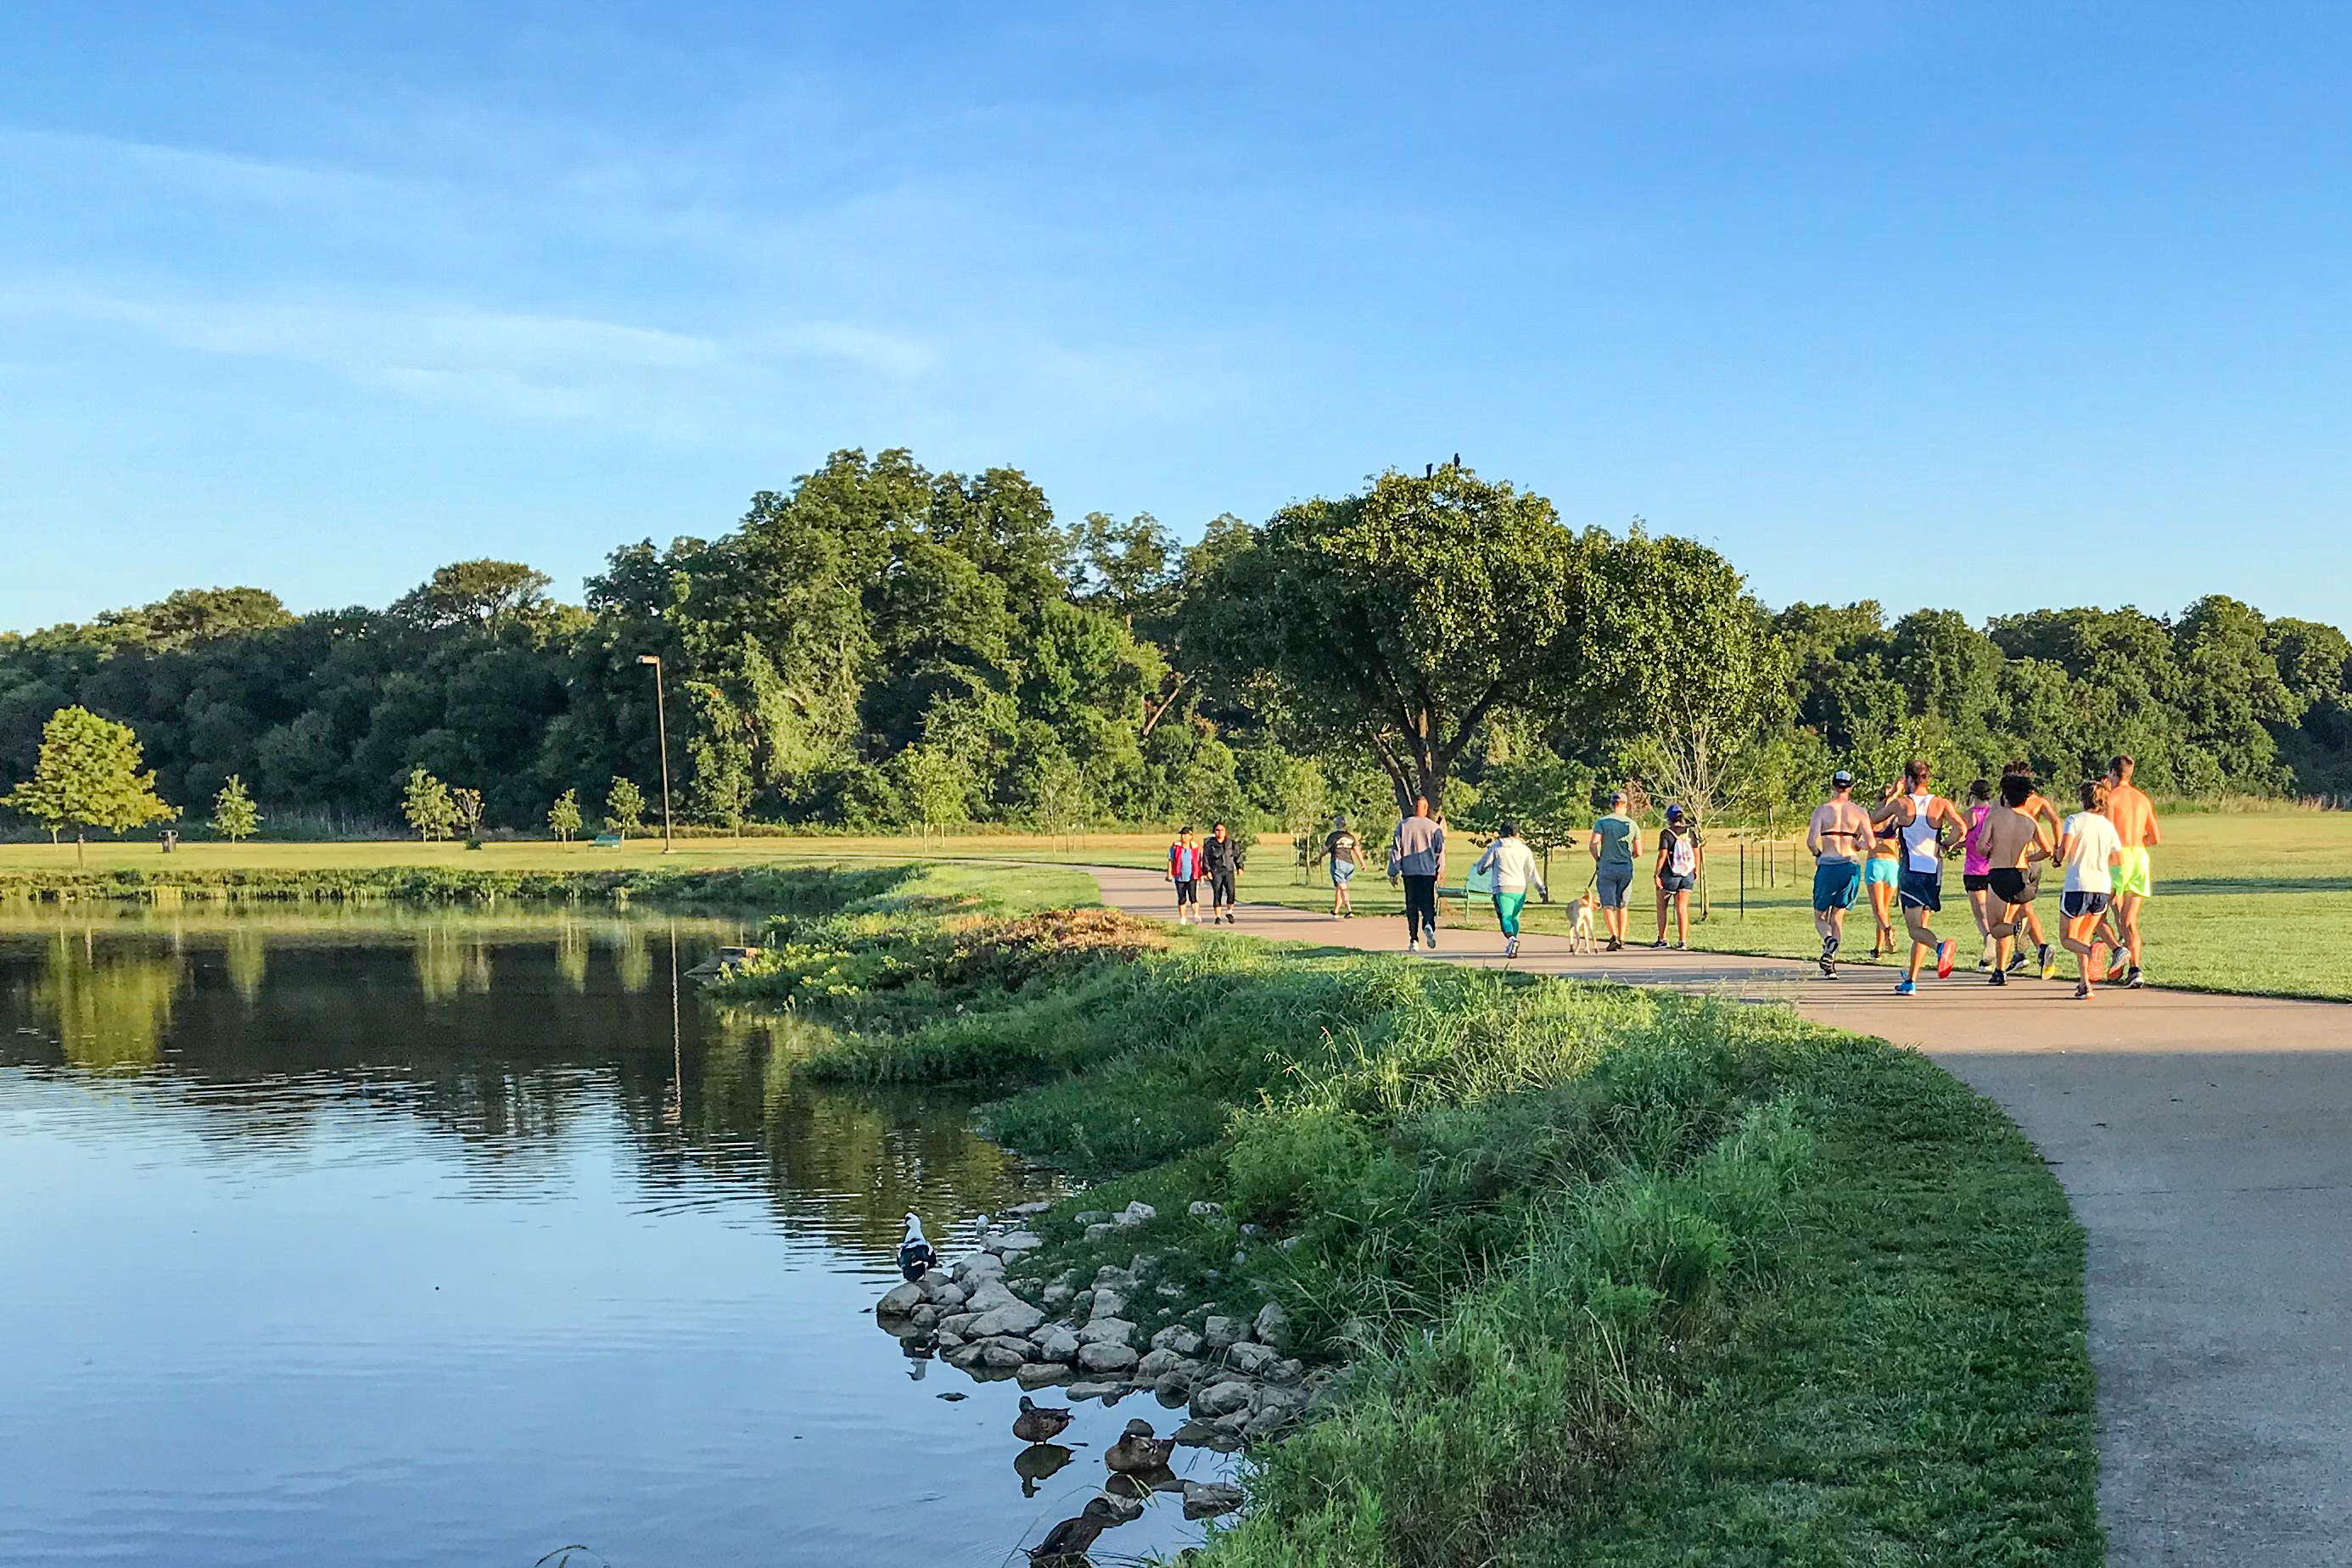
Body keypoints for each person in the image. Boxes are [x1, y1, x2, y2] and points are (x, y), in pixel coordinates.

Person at [1868, 758, 1969, 995]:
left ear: (1910, 780)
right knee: (1923, 926)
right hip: (1933, 871)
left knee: (1914, 930)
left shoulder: (1902, 804)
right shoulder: (1941, 803)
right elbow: (1962, 829)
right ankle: (1911, 981)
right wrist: (1947, 844)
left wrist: (1893, 795)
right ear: (1928, 778)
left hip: (1911, 871)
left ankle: (1940, 947)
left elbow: (1874, 819)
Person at [1975, 774, 2057, 985]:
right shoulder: (2029, 820)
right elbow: (2047, 850)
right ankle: (2000, 971)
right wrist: (2028, 857)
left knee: (1996, 928)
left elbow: (1981, 846)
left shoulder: (1995, 817)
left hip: (2000, 873)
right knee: (2009, 919)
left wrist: (1988, 852)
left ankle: (2016, 932)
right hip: (2021, 874)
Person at [2056, 778, 2126, 1000]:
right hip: (2101, 886)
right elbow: (2118, 858)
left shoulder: (2074, 820)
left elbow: (2065, 849)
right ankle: (2085, 984)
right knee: (2083, 936)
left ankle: (2092, 952)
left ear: (2082, 799)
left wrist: (2058, 858)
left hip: (2078, 884)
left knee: (2067, 938)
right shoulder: (2107, 826)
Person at [2000, 759, 2064, 979]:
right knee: (2025, 907)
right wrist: (2057, 849)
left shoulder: (2008, 801)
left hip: (2015, 858)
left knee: (2011, 910)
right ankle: (2024, 953)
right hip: (2035, 856)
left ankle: (2037, 948)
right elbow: (2056, 821)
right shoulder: (2039, 801)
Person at [1805, 769, 1872, 976]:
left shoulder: (1823, 810)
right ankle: (1831, 962)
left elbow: (1810, 841)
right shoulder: (1859, 812)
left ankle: (1829, 941)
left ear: (1833, 786)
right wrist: (1857, 845)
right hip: (1849, 865)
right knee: (1838, 917)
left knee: (1819, 916)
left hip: (1828, 864)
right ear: (1851, 788)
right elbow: (1870, 842)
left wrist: (1818, 853)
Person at [2104, 753, 2159, 988]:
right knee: (2129, 920)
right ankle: (2135, 969)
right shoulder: (2143, 798)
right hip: (2140, 856)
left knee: (2096, 911)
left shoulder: (2111, 798)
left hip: (2119, 855)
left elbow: (2106, 833)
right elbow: (2155, 837)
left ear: (2113, 774)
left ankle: (2116, 949)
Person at [1471, 820, 1549, 958]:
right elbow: (1532, 871)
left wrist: (1481, 870)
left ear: (1501, 833)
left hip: (1502, 887)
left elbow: (1483, 866)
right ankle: (1512, 947)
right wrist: (1540, 888)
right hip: (1520, 888)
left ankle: (1512, 940)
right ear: (1517, 833)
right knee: (1515, 918)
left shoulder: (1497, 847)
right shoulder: (1525, 850)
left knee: (1505, 918)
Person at [1388, 796, 1446, 952]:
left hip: (1409, 872)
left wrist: (1393, 871)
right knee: (1428, 903)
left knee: (1411, 905)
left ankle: (1413, 939)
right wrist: (1439, 869)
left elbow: (1396, 850)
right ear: (1426, 809)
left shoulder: (1403, 826)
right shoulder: (1434, 828)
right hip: (1427, 872)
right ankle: (1428, 924)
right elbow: (1440, 852)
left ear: (1415, 808)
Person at [1588, 790, 1641, 952]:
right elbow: (1639, 851)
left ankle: (1614, 936)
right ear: (1625, 805)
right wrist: (1628, 855)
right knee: (1623, 904)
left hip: (1607, 867)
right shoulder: (1632, 825)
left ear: (1612, 805)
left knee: (1608, 904)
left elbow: (1593, 843)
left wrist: (1598, 859)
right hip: (1625, 867)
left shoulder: (1602, 822)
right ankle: (1623, 938)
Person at [1650, 804, 1701, 949]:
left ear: (1669, 818)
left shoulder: (1666, 833)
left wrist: (1657, 874)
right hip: (1687, 874)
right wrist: (1696, 870)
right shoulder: (1690, 832)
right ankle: (1682, 941)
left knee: (1662, 906)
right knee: (1682, 908)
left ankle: (1663, 939)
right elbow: (1697, 852)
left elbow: (1663, 855)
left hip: (1670, 875)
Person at [1863, 782, 1903, 957]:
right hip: (1892, 864)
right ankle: (1878, 949)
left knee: (1878, 910)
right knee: (1883, 910)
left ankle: (1888, 931)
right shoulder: (1896, 819)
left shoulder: (1871, 818)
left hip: (1875, 863)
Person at [1961, 779, 1996, 968]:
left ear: (1972, 795)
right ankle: (1987, 960)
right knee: (1992, 911)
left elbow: (1961, 836)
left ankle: (1988, 939)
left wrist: (1948, 844)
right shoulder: (1995, 814)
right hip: (1993, 868)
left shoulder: (1970, 815)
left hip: (1974, 870)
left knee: (1980, 914)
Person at [1201, 821, 1245, 925]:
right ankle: (1218, 917)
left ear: (1225, 831)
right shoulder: (1210, 845)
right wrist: (1207, 871)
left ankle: (1229, 912)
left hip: (1228, 870)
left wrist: (1240, 867)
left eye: (1222, 830)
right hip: (1216, 871)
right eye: (1217, 830)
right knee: (1217, 893)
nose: (1220, 832)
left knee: (1231, 891)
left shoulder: (1231, 843)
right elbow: (1206, 858)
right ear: (1214, 832)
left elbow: (1237, 856)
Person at [1323, 813, 1364, 918]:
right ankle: (1336, 911)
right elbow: (1357, 850)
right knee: (1340, 886)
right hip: (1349, 864)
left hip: (1338, 862)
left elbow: (1325, 849)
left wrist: (1318, 858)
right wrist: (1362, 863)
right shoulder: (1350, 837)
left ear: (1336, 825)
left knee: (1342, 886)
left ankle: (1349, 910)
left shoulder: (1333, 836)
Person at [1166, 826, 1202, 924]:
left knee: (1193, 897)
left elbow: (1199, 862)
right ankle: (1183, 918)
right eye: (1182, 835)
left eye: (1186, 835)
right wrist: (1170, 874)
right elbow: (1171, 860)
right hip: (1179, 876)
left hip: (1192, 876)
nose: (1183, 837)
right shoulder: (1175, 847)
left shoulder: (1195, 848)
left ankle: (1196, 915)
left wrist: (1201, 875)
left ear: (1190, 836)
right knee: (1182, 898)